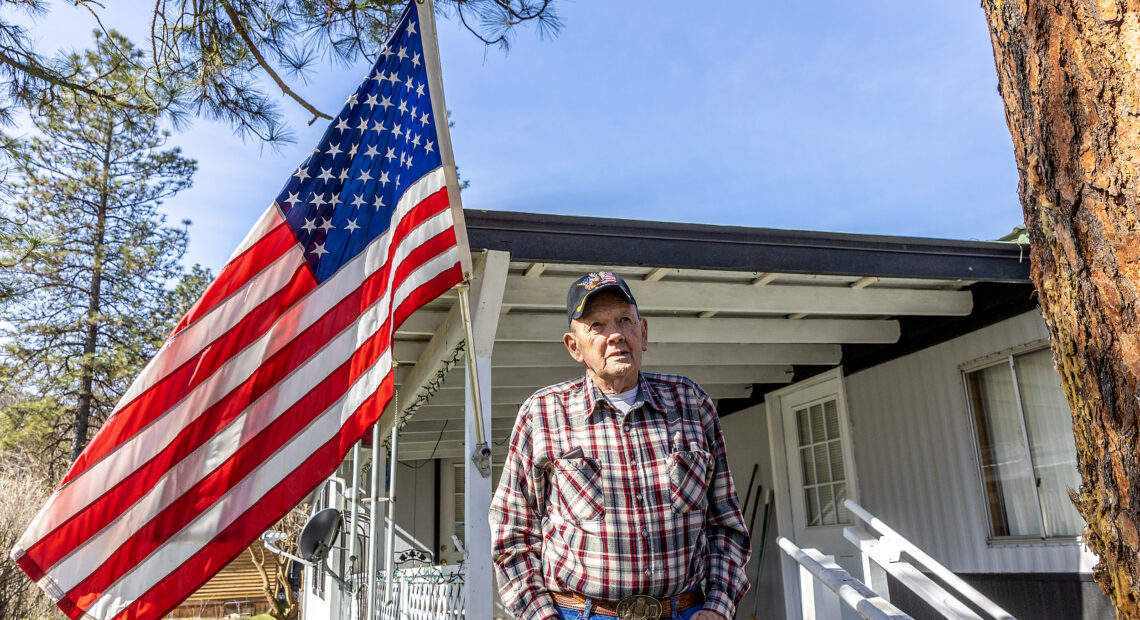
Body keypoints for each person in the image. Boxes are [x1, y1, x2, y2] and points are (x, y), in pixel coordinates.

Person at [489, 271, 751, 620]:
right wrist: (539, 615)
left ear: (643, 332)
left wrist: (718, 608)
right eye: (596, 325)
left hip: (685, 611)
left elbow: (726, 523)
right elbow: (512, 531)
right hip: (581, 613)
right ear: (574, 346)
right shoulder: (543, 413)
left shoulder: (690, 402)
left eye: (624, 320)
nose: (614, 335)